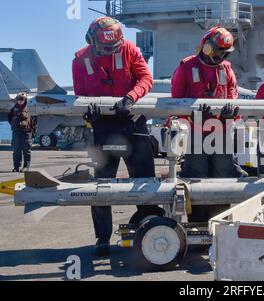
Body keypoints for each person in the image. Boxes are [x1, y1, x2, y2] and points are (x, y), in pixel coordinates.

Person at [72, 17, 156, 256]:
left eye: (113, 48)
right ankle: (102, 238)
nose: (110, 52)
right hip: (104, 127)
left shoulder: (128, 48)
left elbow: (145, 79)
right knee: (102, 186)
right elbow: (80, 94)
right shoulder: (80, 59)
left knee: (146, 182)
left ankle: (149, 227)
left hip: (132, 121)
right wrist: (88, 111)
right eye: (104, 48)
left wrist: (131, 97)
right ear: (91, 40)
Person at [171, 26, 241, 221]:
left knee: (223, 175)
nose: (221, 57)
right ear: (208, 47)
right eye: (219, 52)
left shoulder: (226, 69)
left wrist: (230, 116)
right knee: (196, 175)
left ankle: (220, 222)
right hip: (195, 133)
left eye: (225, 53)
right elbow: (175, 103)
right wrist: (189, 117)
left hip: (221, 132)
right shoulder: (186, 67)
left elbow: (233, 96)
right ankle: (198, 224)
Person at [8, 92, 36, 172]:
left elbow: (33, 122)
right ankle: (16, 167)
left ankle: (26, 167)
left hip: (26, 133)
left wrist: (32, 132)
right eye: (18, 99)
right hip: (16, 132)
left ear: (25, 100)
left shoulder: (29, 109)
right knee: (16, 150)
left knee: (26, 150)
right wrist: (15, 125)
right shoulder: (13, 109)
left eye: (21, 99)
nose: (20, 101)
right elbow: (9, 118)